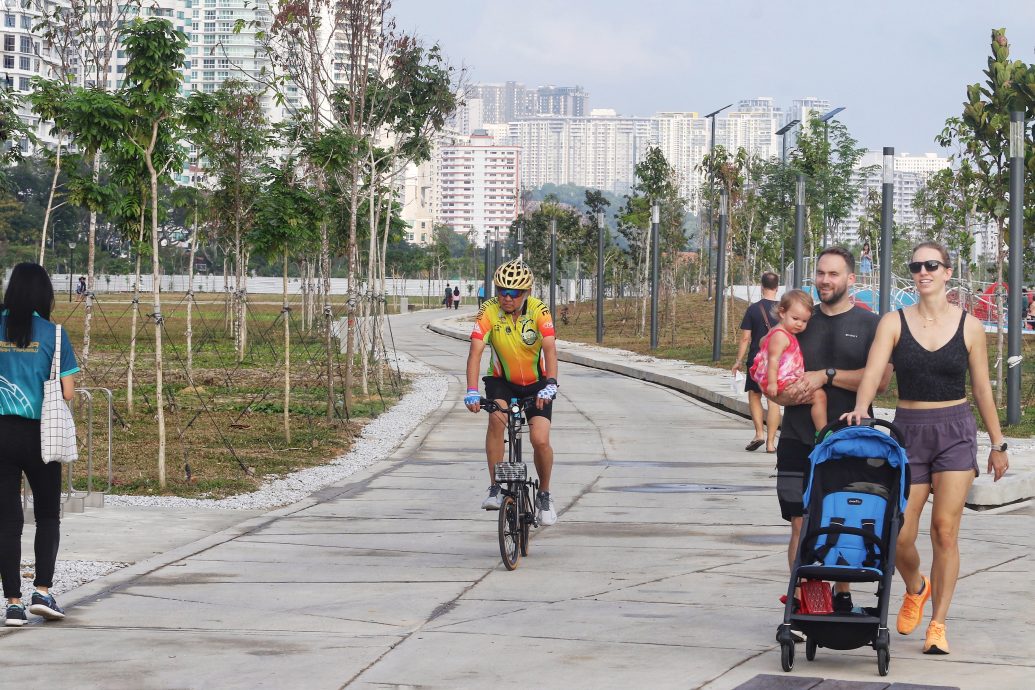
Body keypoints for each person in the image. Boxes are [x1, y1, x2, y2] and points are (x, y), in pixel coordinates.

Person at [842, 241, 1009, 656]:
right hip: (908, 432)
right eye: (916, 266)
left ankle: (938, 624)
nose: (923, 272)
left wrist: (998, 442)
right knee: (898, 532)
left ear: (948, 272)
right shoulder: (893, 323)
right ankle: (916, 586)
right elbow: (874, 372)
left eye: (931, 265)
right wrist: (861, 409)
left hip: (955, 430)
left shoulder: (969, 326)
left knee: (945, 532)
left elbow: (983, 389)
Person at [768, 247, 892, 613]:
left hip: (851, 441)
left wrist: (827, 375)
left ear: (851, 279)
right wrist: (788, 393)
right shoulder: (799, 321)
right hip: (797, 437)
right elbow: (772, 378)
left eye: (833, 274)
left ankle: (842, 593)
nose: (824, 280)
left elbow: (881, 383)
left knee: (847, 520)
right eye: (820, 273)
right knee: (799, 523)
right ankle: (804, 598)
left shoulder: (871, 325)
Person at [0, 263, 79, 627]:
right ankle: (43, 592)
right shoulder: (55, 335)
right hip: (41, 434)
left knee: (7, 521)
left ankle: (12, 603)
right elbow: (66, 392)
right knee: (47, 515)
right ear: (44, 295)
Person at [464, 259, 559, 526]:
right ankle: (495, 486)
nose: (506, 297)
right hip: (502, 381)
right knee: (496, 420)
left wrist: (551, 383)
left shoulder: (540, 311)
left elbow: (550, 350)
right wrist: (472, 390)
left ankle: (544, 495)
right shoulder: (488, 311)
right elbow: (475, 353)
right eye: (501, 291)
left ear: (526, 293)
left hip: (537, 383)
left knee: (539, 439)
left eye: (514, 292)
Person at [750, 289, 827, 436]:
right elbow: (773, 360)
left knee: (818, 395)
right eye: (795, 318)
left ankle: (821, 431)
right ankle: (823, 433)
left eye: (804, 321)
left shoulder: (780, 332)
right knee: (819, 396)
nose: (799, 324)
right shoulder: (780, 335)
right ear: (782, 313)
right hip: (781, 382)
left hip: (785, 379)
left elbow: (762, 344)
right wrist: (772, 383)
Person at [732, 272, 781, 453]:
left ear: (761, 287)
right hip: (777, 360)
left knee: (754, 395)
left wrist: (738, 361)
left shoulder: (753, 309)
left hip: (756, 359)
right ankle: (770, 443)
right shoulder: (784, 310)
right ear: (777, 287)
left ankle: (759, 433)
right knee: (773, 400)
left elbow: (745, 338)